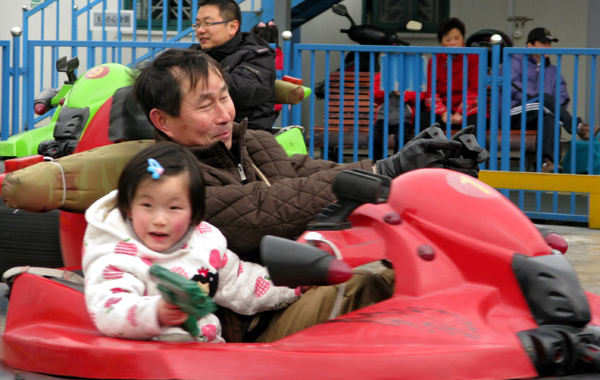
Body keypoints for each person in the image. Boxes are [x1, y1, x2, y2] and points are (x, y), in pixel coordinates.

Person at [134, 48, 487, 262]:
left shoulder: (254, 143)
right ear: (162, 120)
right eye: (205, 105)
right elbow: (263, 209)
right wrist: (387, 169)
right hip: (250, 313)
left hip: (309, 274)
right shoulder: (169, 180)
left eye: (224, 97)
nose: (224, 114)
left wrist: (419, 169)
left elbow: (315, 173)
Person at [83, 141, 395, 343]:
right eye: (147, 206)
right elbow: (108, 308)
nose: (159, 219)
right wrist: (159, 312)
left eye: (174, 207)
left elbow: (244, 283)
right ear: (127, 206)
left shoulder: (203, 242)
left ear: (193, 213)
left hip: (208, 362)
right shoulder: (118, 253)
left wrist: (295, 284)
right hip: (141, 368)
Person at [373, 17, 479, 160]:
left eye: (456, 38)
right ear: (441, 42)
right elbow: (430, 92)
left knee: (474, 125)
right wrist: (443, 112)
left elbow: (475, 90)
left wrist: (460, 112)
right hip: (442, 108)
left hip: (467, 108)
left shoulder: (474, 58)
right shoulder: (434, 60)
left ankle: (469, 162)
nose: (453, 42)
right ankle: (432, 161)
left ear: (463, 39)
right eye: (448, 39)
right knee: (425, 121)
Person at [190, 0, 277, 131]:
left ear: (232, 27)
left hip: (244, 136)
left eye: (207, 23)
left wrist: (199, 73)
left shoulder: (257, 55)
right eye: (198, 24)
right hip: (200, 131)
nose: (200, 30)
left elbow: (245, 92)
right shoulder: (194, 54)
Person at [509, 27, 590, 173]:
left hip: (539, 113)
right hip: (513, 112)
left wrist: (549, 106)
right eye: (543, 43)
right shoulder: (516, 59)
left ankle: (547, 163)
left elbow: (563, 97)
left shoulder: (552, 70)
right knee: (545, 100)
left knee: (550, 117)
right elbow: (512, 85)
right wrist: (539, 100)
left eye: (549, 43)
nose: (548, 47)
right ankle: (577, 127)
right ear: (530, 45)